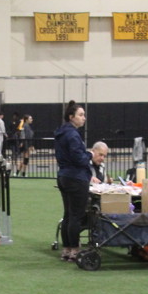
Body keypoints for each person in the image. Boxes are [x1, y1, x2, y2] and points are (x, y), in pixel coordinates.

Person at [54, 101, 93, 263]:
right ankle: (75, 250)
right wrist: (90, 155)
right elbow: (79, 158)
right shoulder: (73, 135)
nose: (84, 118)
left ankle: (67, 249)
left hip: (63, 176)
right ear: (71, 117)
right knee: (76, 215)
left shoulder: (61, 133)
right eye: (81, 115)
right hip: (76, 177)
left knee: (68, 215)